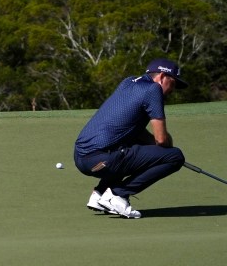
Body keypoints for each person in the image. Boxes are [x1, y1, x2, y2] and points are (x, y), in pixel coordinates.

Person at [73, 58, 187, 219]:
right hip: (102, 160)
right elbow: (161, 140)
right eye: (173, 83)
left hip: (81, 158)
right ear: (162, 76)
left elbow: (135, 131)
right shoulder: (154, 90)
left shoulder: (128, 82)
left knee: (125, 146)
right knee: (175, 156)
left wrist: (153, 149)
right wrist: (165, 149)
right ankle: (118, 195)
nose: (172, 90)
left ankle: (99, 195)